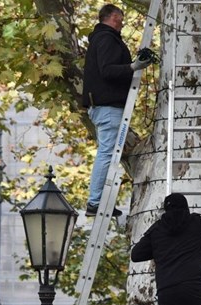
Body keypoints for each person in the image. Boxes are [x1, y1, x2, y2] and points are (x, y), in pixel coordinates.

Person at [83, 4, 155, 217]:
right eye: (121, 19)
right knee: (107, 154)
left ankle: (98, 201)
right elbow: (107, 70)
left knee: (108, 153)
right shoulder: (106, 39)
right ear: (113, 17)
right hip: (108, 107)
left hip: (104, 106)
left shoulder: (101, 39)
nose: (123, 24)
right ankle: (95, 201)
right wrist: (133, 67)